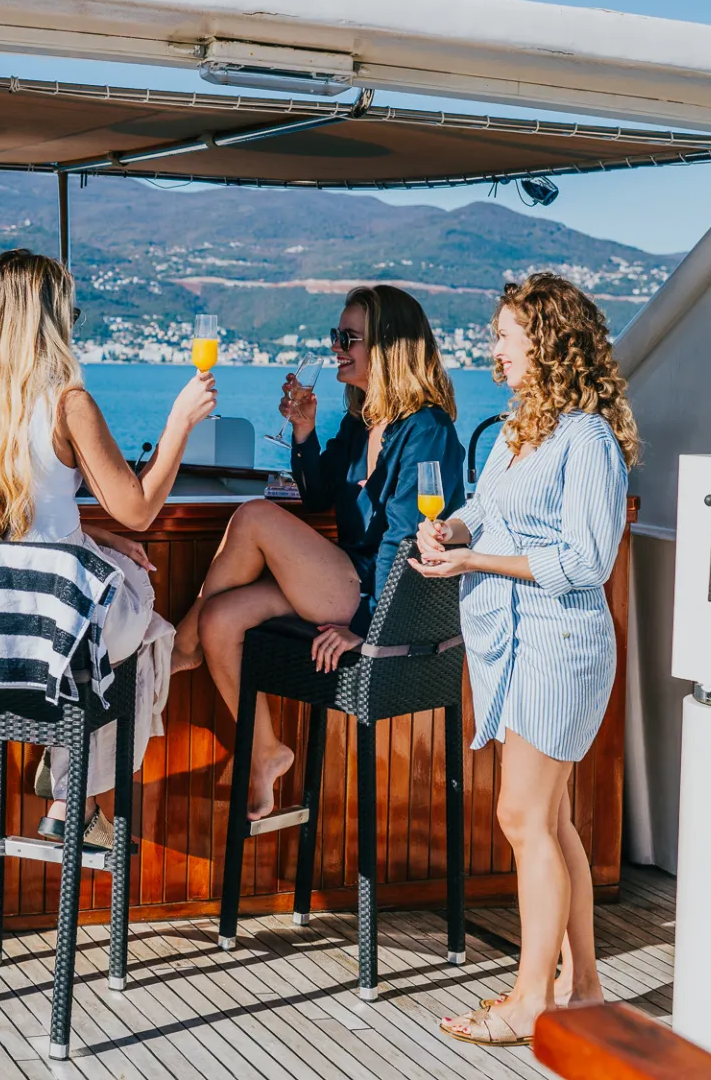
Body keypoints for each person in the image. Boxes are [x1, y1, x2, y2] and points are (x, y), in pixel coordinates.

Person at [0, 250, 217, 848]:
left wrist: (96, 536)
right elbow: (137, 508)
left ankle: (69, 782)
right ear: (47, 320)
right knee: (136, 620)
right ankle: (71, 790)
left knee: (119, 621)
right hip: (57, 623)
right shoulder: (66, 402)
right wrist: (179, 424)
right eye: (69, 312)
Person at [411, 272, 636, 1047]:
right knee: (551, 817)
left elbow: (585, 560)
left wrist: (477, 564)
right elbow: (490, 510)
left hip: (561, 640)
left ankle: (530, 999)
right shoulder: (515, 431)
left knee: (523, 815)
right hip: (513, 642)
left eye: (505, 335)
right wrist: (455, 533)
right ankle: (585, 987)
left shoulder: (588, 440)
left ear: (545, 341)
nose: (494, 348)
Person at [173, 284, 464, 820]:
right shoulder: (362, 421)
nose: (337, 347)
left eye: (348, 337)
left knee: (255, 517)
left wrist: (368, 628)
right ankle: (264, 751)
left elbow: (409, 545)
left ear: (388, 346)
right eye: (337, 335)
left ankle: (178, 646)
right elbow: (317, 492)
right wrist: (305, 430)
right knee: (221, 619)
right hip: (346, 579)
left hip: (374, 600)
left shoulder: (427, 429)